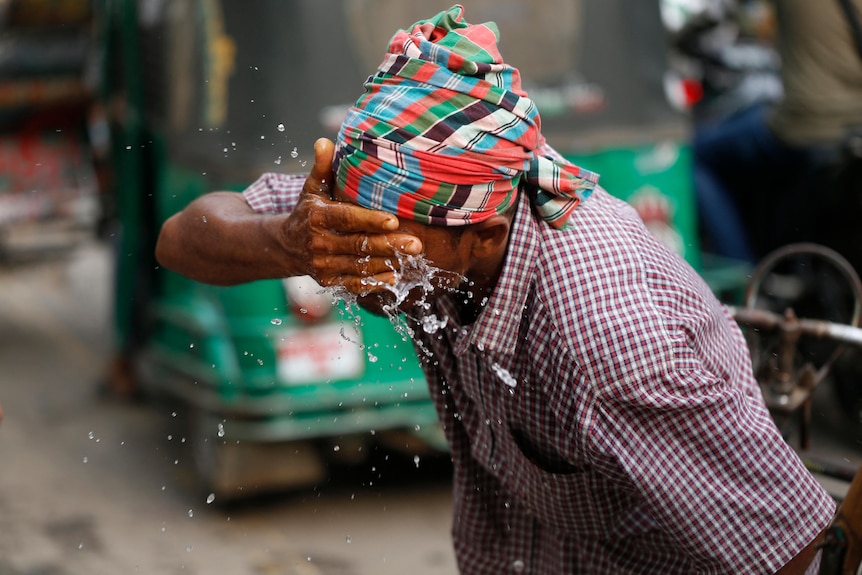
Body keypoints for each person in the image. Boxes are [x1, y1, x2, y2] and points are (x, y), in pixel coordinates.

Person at [156, 6, 835, 573]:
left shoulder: (606, 334)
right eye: (350, 228)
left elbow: (791, 551)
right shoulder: (394, 214)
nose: (361, 258)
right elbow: (179, 239)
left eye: (391, 243)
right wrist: (289, 239)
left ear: (485, 232)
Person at [692, 0, 862, 263]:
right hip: (854, 130)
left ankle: (742, 277)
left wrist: (687, 31)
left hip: (809, 125)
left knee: (697, 156)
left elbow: (717, 12)